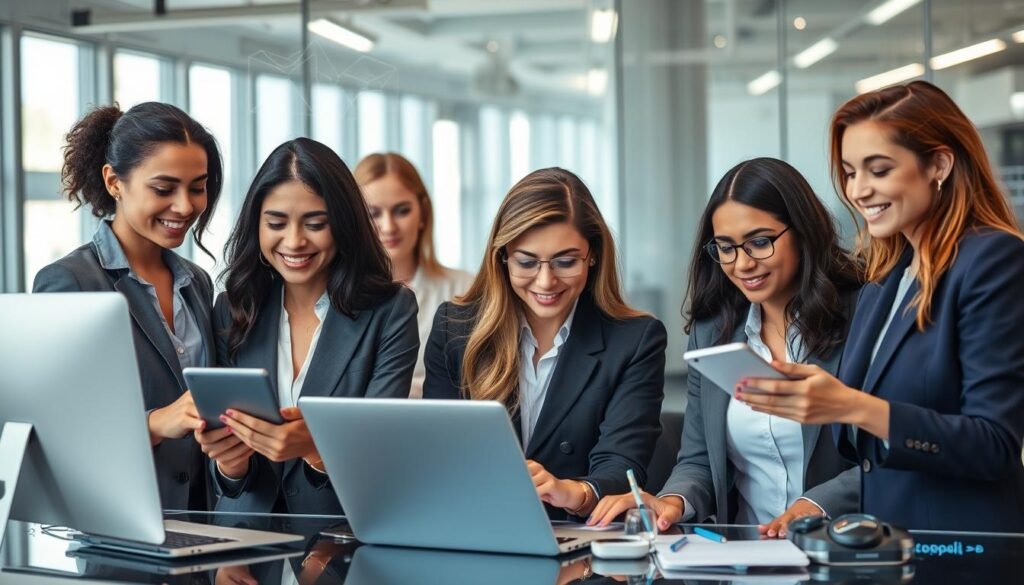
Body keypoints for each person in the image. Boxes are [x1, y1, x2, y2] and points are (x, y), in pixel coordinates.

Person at [739, 81, 1024, 532]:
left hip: (959, 551)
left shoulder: (992, 260)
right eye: (851, 172)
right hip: (888, 550)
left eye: (879, 169)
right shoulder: (883, 283)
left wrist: (852, 405)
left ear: (939, 164)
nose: (859, 190)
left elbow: (994, 444)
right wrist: (824, 398)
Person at [589, 158, 862, 536]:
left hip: (844, 552)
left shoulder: (863, 315)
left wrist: (815, 505)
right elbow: (698, 460)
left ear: (803, 231)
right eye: (726, 248)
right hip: (745, 560)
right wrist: (672, 501)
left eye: (760, 242)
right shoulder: (714, 330)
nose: (743, 263)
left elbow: (887, 455)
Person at [423, 167, 666, 520]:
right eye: (527, 261)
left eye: (566, 261)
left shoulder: (635, 339)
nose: (546, 281)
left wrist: (575, 492)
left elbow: (622, 463)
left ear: (593, 255)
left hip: (579, 544)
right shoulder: (455, 327)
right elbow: (438, 450)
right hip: (475, 528)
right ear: (502, 256)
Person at [197, 138, 419, 515]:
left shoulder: (390, 313)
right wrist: (229, 466)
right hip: (246, 554)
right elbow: (227, 481)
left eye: (316, 224)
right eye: (277, 223)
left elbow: (379, 451)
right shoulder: (232, 310)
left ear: (344, 225)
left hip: (342, 544)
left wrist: (316, 449)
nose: (295, 241)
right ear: (257, 225)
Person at [34, 101, 223, 510]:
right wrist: (155, 422)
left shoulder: (197, 283)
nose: (186, 206)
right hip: (121, 529)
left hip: (203, 528)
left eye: (197, 186)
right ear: (114, 181)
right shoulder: (72, 283)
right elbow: (54, 431)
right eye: (163, 188)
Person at [355, 152, 473, 397]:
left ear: (423, 212)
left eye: (402, 210)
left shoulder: (465, 288)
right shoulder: (339, 297)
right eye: (373, 213)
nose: (388, 227)